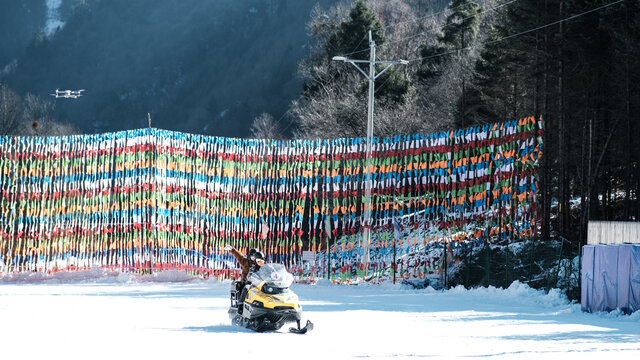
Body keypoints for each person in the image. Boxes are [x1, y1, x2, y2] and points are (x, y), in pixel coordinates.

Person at [224, 245, 265, 313]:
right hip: (247, 281)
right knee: (246, 287)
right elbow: (239, 256)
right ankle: (241, 304)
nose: (253, 258)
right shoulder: (245, 262)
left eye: (255, 256)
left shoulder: (261, 264)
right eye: (252, 256)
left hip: (258, 283)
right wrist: (232, 249)